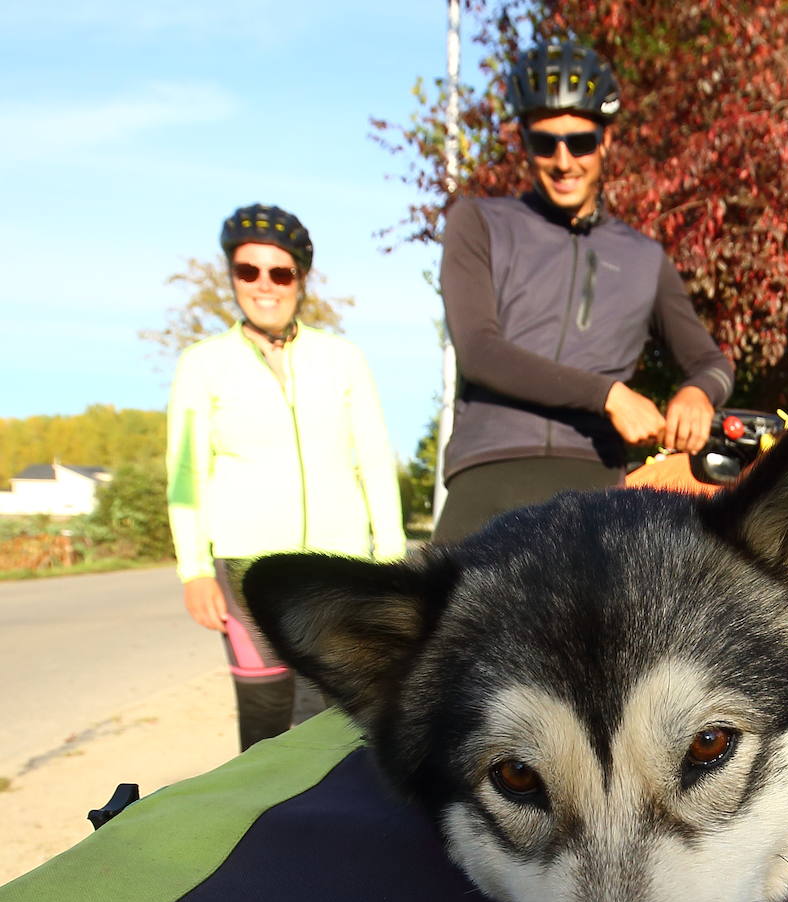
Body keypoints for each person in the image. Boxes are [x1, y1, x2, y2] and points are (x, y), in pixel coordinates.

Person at [435, 37, 735, 541]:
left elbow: (713, 363)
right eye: (543, 142)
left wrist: (697, 394)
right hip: (488, 472)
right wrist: (608, 396)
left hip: (592, 484)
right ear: (523, 142)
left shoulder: (643, 258)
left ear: (606, 141)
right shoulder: (478, 222)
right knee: (428, 620)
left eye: (580, 142)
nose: (563, 160)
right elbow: (479, 350)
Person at [165, 204, 406, 750]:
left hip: (339, 563)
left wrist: (390, 559)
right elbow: (185, 471)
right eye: (247, 271)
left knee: (338, 712)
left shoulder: (342, 358)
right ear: (231, 276)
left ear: (301, 278)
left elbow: (373, 457)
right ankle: (260, 831)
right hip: (247, 562)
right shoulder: (203, 364)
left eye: (280, 272)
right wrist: (194, 569)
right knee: (265, 713)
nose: (264, 286)